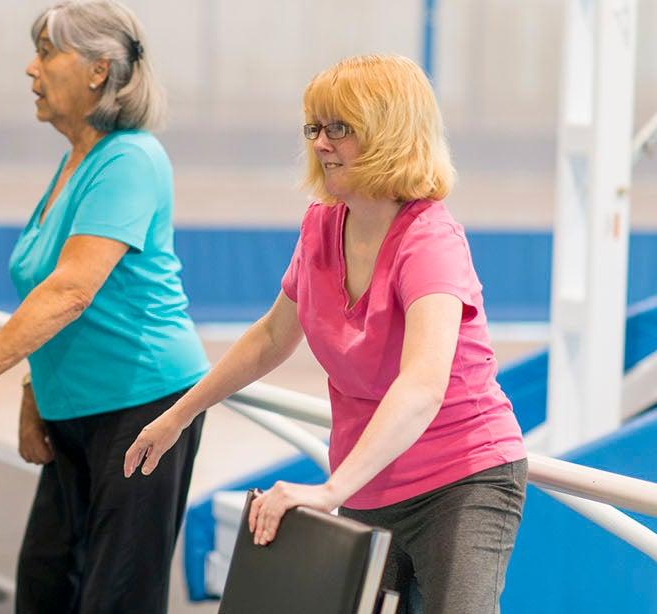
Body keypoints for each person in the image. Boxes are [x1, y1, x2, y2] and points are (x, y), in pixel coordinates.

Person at [124, 55, 528, 613]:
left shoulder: (430, 240)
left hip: (461, 481)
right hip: (370, 478)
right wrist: (180, 414)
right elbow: (271, 337)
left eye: (340, 128)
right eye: (314, 127)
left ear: (390, 133)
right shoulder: (321, 224)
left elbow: (422, 385)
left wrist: (330, 491)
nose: (320, 142)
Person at [0, 2, 209, 612]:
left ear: (98, 71)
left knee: (114, 598)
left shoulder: (130, 159)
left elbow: (71, 292)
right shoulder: (78, 161)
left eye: (45, 53)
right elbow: (51, 294)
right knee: (45, 586)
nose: (29, 68)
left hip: (144, 407)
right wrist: (32, 393)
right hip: (76, 409)